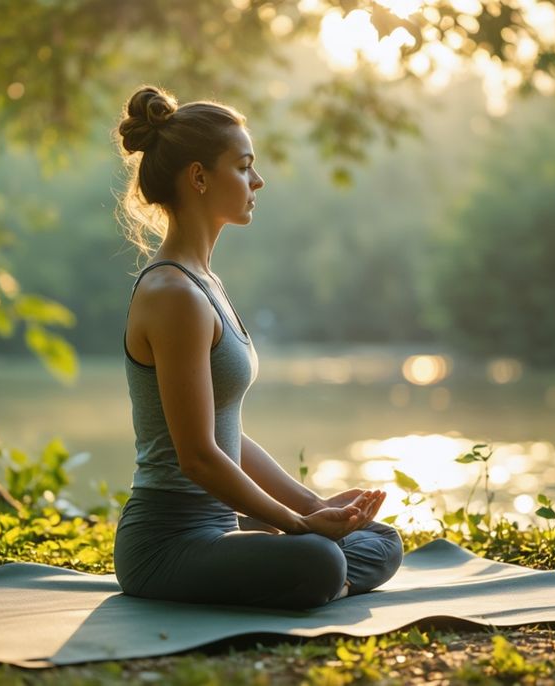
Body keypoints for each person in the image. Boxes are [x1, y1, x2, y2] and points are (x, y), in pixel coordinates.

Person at [112, 85, 403, 610]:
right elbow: (198, 457)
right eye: (244, 166)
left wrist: (314, 505)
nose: (257, 180)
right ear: (199, 177)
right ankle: (315, 578)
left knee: (379, 540)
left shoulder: (204, 284)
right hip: (166, 544)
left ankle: (307, 577)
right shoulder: (173, 294)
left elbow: (229, 437)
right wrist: (296, 525)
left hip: (221, 524)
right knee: (320, 558)